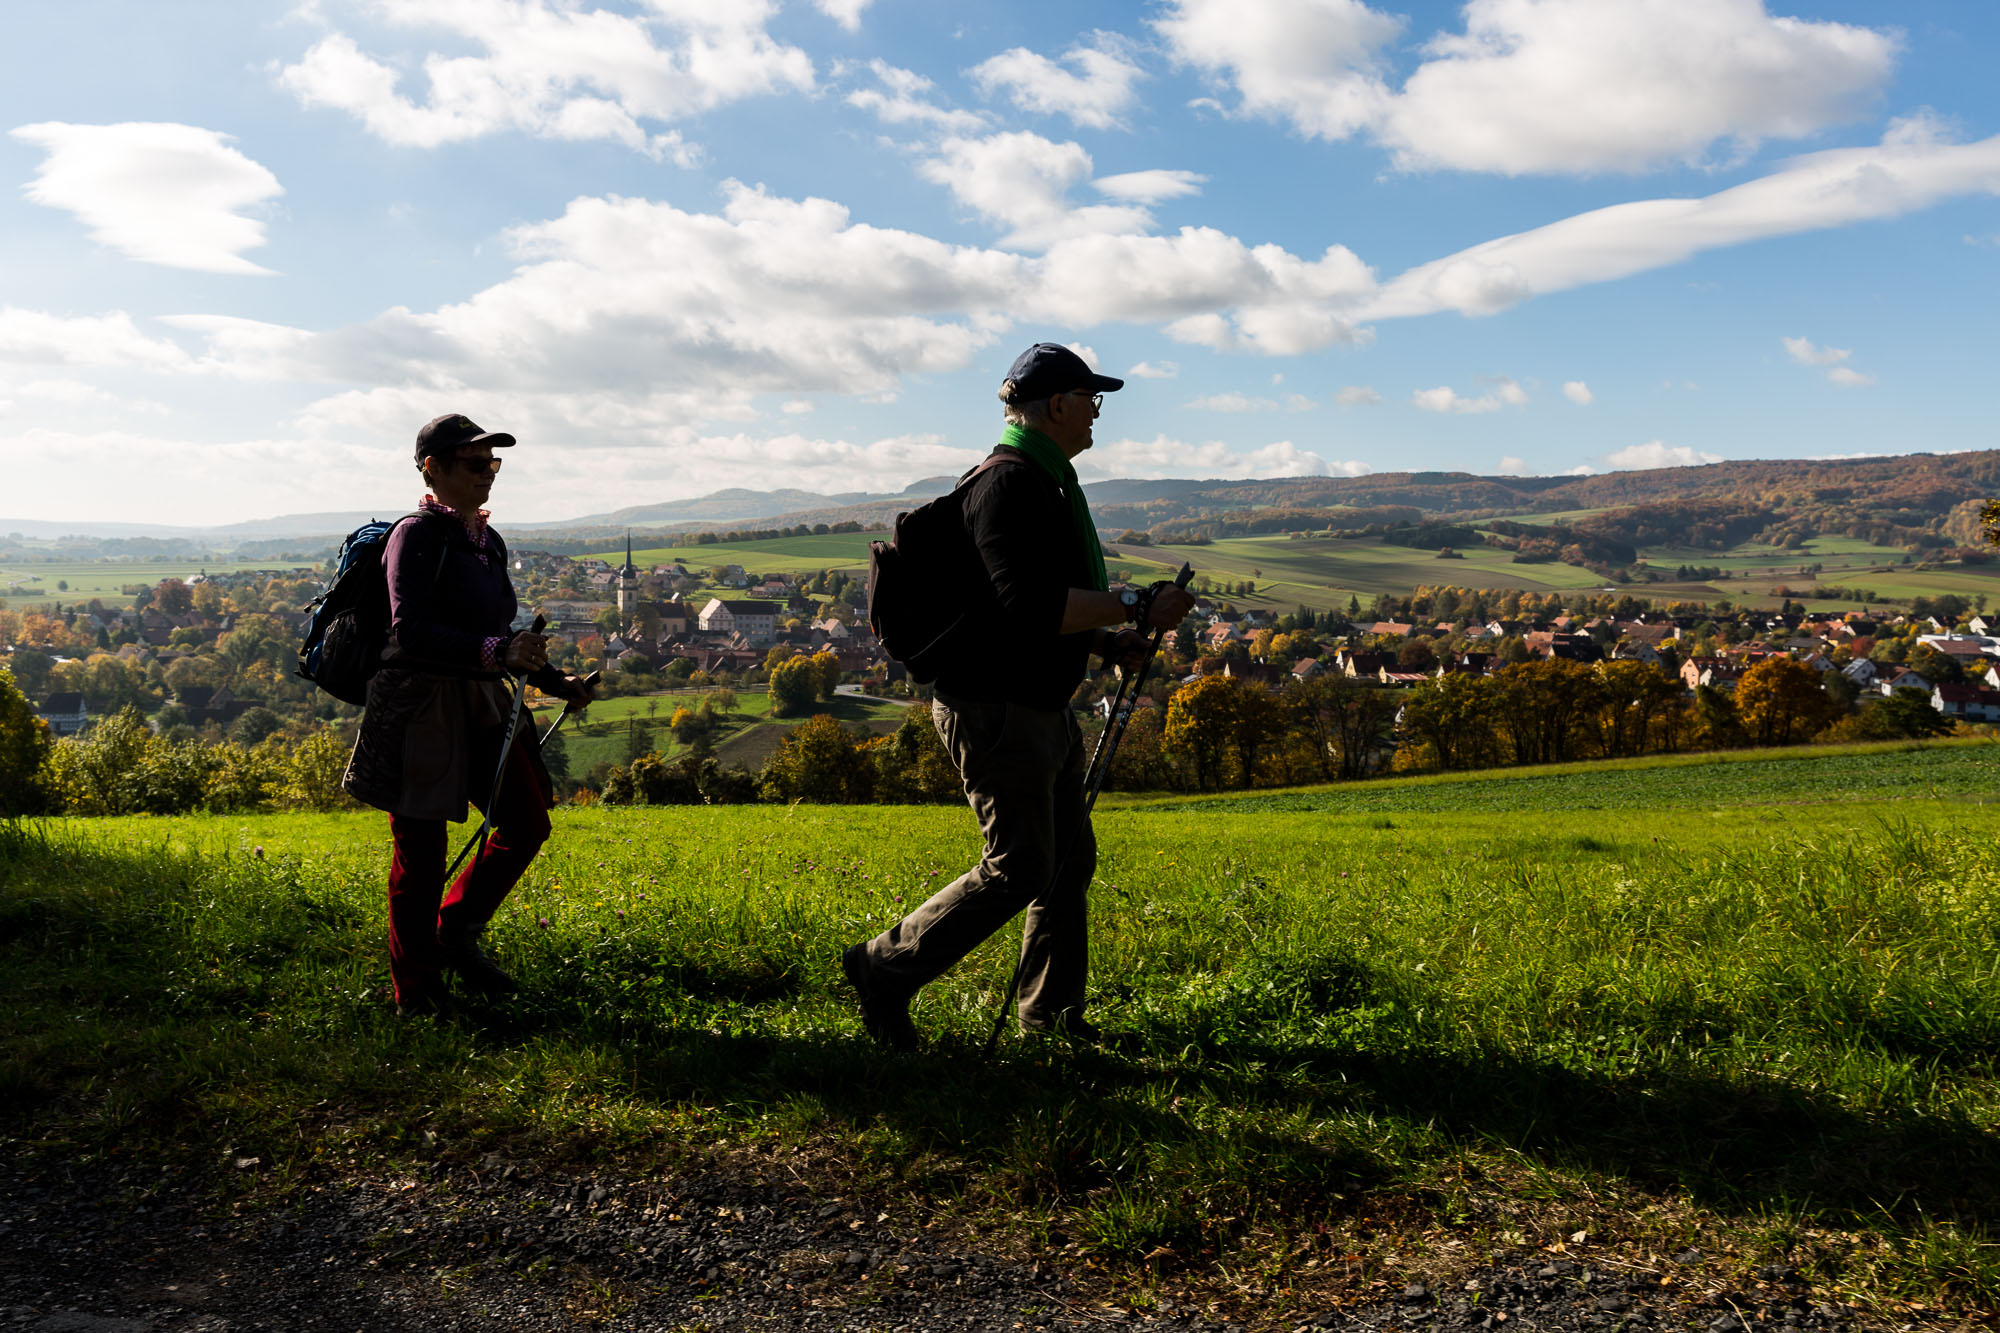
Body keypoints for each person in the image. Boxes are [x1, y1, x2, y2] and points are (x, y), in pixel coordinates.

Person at [841, 344, 1197, 1049]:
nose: (1097, 411)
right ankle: (882, 965)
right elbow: (1028, 605)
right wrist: (1134, 604)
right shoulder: (1009, 485)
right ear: (1056, 406)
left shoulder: (1043, 480)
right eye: (1090, 398)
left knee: (1066, 861)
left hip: (1035, 702)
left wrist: (1103, 643)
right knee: (1022, 864)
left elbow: (1014, 607)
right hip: (994, 707)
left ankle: (1050, 1016)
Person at [343, 413, 597, 1016]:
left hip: (482, 701)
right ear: (432, 467)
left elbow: (499, 635)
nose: (488, 474)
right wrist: (495, 651)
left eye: (493, 463)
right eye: (473, 463)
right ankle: (416, 992)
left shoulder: (486, 540)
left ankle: (452, 932)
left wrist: (559, 683)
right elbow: (409, 627)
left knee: (526, 823)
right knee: (421, 850)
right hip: (419, 704)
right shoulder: (417, 534)